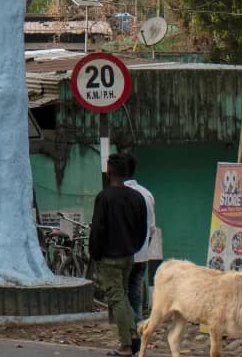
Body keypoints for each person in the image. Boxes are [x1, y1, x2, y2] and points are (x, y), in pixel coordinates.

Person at [90, 154, 148, 357]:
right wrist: (133, 247)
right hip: (129, 257)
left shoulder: (104, 197)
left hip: (110, 258)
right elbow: (143, 230)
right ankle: (132, 333)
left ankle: (127, 343)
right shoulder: (137, 197)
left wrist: (95, 254)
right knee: (122, 295)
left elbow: (97, 230)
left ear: (110, 171)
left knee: (117, 297)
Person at [121, 152, 159, 327]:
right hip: (142, 251)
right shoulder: (147, 193)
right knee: (135, 290)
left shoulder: (117, 194)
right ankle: (138, 325)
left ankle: (132, 328)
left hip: (122, 253)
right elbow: (152, 227)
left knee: (121, 293)